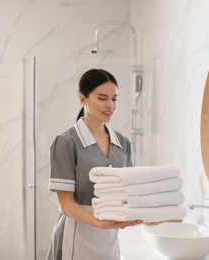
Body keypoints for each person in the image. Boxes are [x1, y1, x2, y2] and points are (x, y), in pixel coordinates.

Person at [47, 69, 147, 260]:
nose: (110, 105)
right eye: (102, 98)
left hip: (109, 236)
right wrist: (100, 223)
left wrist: (149, 216)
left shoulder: (122, 142)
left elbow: (128, 192)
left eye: (114, 99)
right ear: (83, 99)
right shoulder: (66, 142)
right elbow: (66, 204)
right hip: (76, 235)